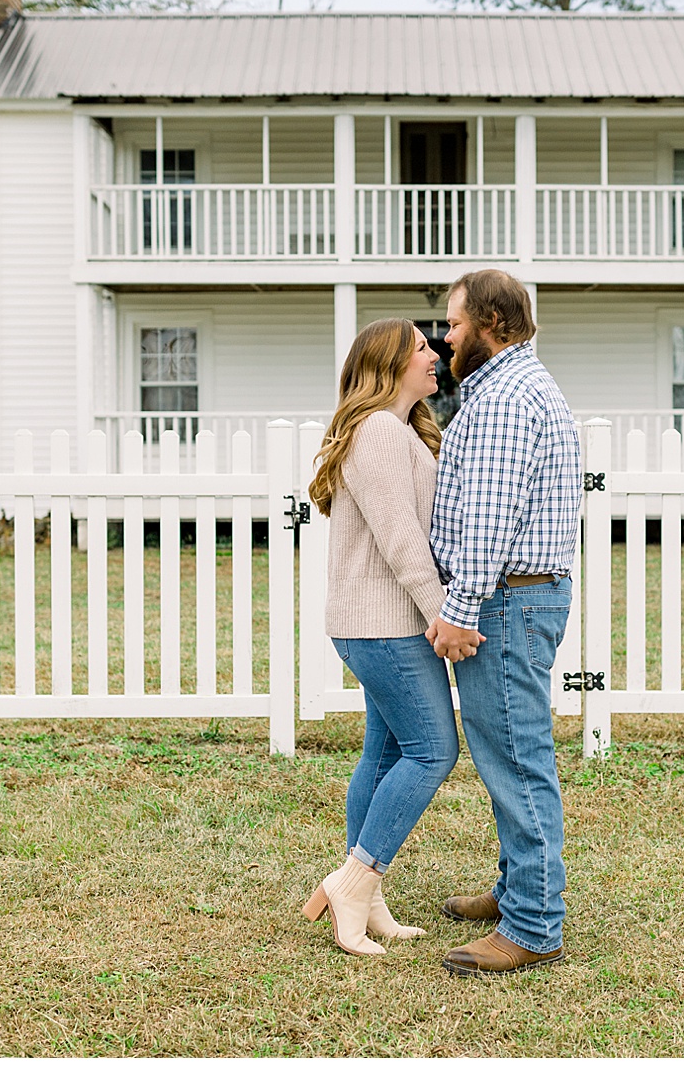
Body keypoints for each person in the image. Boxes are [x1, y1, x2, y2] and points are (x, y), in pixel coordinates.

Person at [425, 269, 582, 978]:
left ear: (491, 321)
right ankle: (518, 886)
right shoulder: (513, 388)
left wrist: (459, 612)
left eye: (454, 324)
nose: (445, 337)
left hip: (506, 600)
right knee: (506, 751)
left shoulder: (506, 400)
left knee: (517, 758)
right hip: (518, 596)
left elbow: (490, 521)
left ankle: (533, 925)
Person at [299, 318, 462, 956]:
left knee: (387, 754)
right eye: (422, 347)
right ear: (390, 363)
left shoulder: (395, 430)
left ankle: (364, 897)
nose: (436, 352)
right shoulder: (381, 432)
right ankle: (355, 880)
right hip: (385, 625)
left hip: (372, 623)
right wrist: (442, 612)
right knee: (432, 750)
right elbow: (401, 541)